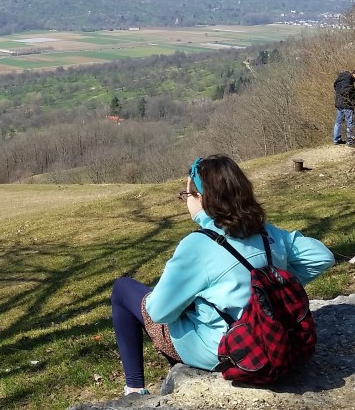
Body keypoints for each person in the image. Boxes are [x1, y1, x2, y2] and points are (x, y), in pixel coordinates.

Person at [109, 155, 335, 396]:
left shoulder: (198, 245)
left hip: (232, 351)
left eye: (187, 195)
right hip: (276, 339)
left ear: (202, 199)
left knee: (123, 290)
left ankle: (134, 389)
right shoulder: (269, 234)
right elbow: (321, 256)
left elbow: (159, 312)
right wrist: (272, 283)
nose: (186, 201)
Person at [333, 68, 355, 145]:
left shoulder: (340, 78)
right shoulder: (348, 79)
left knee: (338, 123)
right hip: (347, 104)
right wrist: (352, 97)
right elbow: (345, 91)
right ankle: (350, 140)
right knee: (350, 123)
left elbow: (335, 86)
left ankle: (336, 139)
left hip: (339, 104)